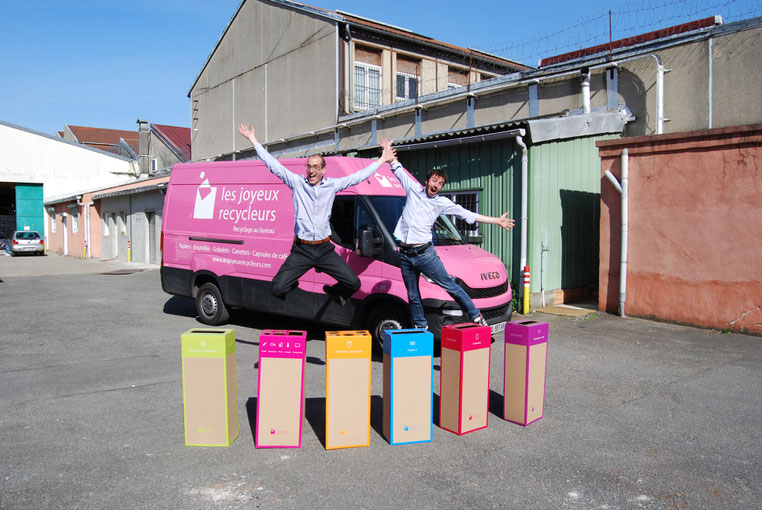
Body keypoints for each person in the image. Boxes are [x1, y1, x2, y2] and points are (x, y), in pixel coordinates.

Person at [237, 124, 395, 304]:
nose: (311, 170)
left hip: (324, 249)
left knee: (353, 282)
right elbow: (273, 165)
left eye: (315, 167)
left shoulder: (332, 185)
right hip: (302, 250)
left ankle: (337, 292)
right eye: (309, 167)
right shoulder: (297, 183)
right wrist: (253, 140)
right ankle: (292, 282)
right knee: (277, 288)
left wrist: (382, 159)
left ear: (323, 170)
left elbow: (357, 177)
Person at [380, 138, 515, 329]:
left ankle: (476, 315)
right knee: (412, 294)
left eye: (440, 183)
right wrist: (387, 151)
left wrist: (497, 221)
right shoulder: (412, 188)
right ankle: (421, 326)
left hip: (425, 254)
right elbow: (397, 166)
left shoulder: (441, 202)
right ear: (427, 181)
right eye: (434, 181)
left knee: (450, 286)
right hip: (405, 255)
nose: (436, 185)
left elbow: (468, 214)